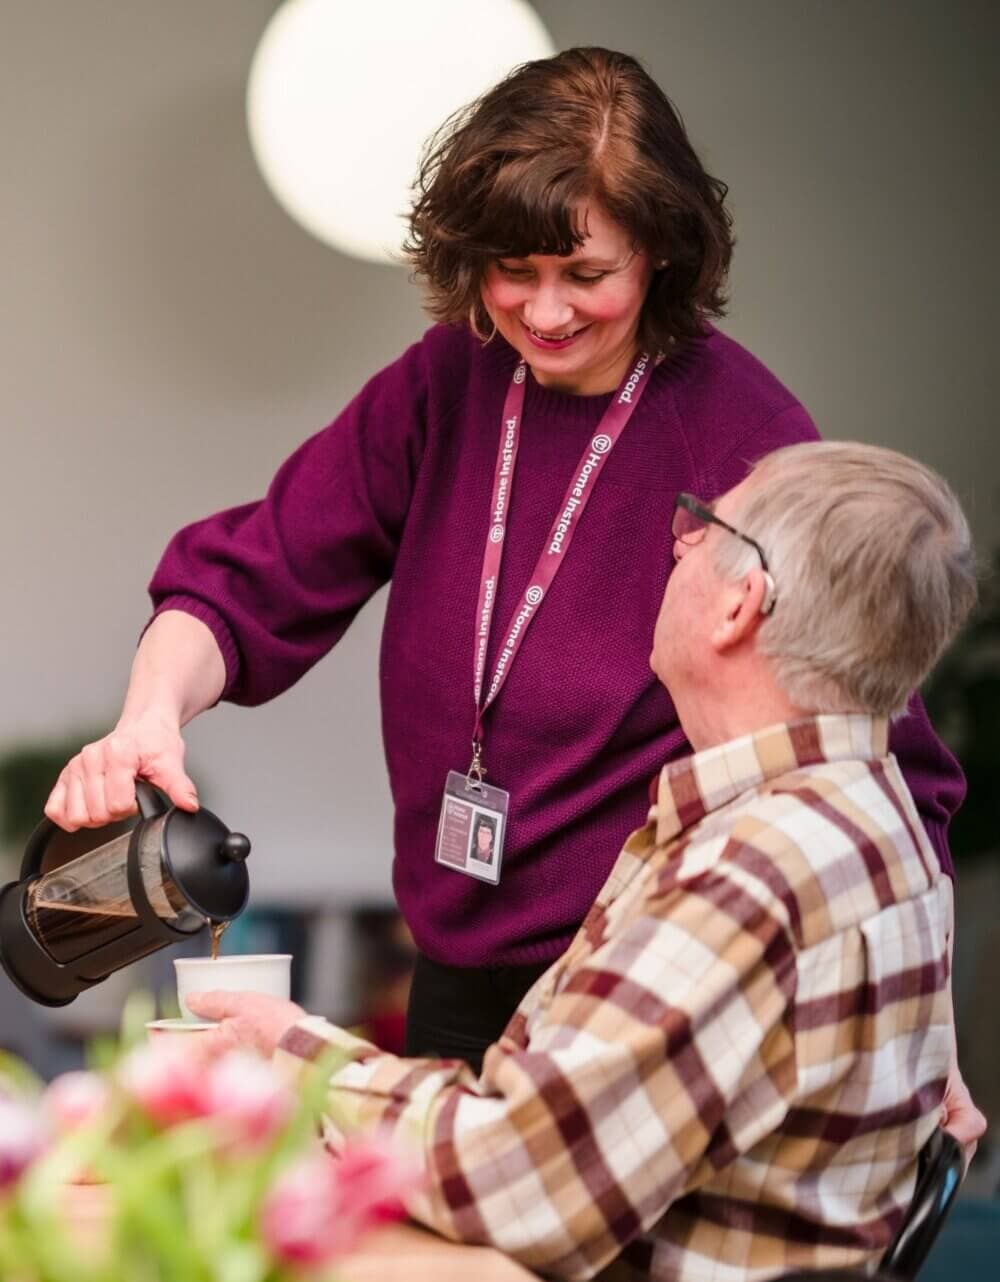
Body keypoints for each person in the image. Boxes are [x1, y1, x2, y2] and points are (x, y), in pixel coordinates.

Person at [45, 48, 969, 1086]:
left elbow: (885, 756)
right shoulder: (454, 378)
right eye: (512, 271)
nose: (544, 313)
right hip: (454, 960)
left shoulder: (741, 436)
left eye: (586, 274)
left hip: (643, 984)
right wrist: (150, 716)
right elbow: (251, 573)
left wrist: (924, 1049)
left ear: (659, 254)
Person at [188, 439, 977, 1282]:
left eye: (704, 527)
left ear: (740, 603)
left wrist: (294, 1058)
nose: (678, 545)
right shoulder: (873, 810)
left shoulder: (760, 868)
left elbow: (519, 1178)